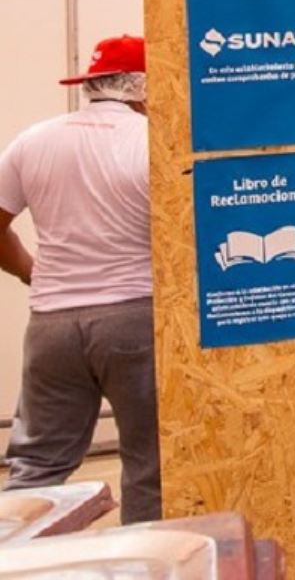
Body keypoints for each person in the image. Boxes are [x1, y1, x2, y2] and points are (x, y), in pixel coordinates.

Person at [0, 35, 160, 523]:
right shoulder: (152, 142)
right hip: (134, 320)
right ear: (143, 87)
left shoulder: (32, 141)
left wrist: (33, 272)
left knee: (36, 467)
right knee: (150, 467)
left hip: (51, 324)